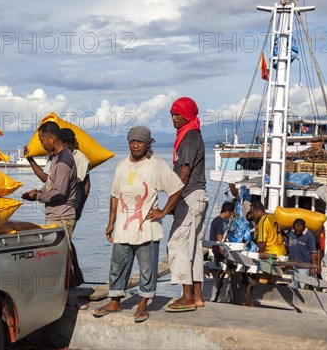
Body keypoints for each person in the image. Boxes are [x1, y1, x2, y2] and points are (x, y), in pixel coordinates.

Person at [92, 126, 184, 323]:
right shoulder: (121, 165)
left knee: (147, 268)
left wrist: (164, 211)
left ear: (148, 143)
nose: (135, 145)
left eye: (140, 142)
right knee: (117, 266)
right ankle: (115, 300)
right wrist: (111, 222)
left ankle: (143, 303)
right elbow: (115, 195)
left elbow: (176, 188)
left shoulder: (157, 165)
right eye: (132, 141)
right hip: (123, 228)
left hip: (147, 228)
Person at [165, 97, 209, 312]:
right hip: (196, 197)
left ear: (188, 115)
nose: (173, 118)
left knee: (178, 244)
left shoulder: (190, 137)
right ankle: (198, 297)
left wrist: (169, 204)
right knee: (194, 248)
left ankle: (187, 297)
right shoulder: (191, 135)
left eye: (177, 114)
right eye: (172, 114)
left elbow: (184, 171)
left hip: (190, 197)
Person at [21, 121, 80, 281]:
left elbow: (59, 193)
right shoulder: (56, 157)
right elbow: (51, 183)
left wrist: (37, 197)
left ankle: (66, 299)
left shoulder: (62, 162)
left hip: (61, 217)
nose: (41, 144)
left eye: (42, 140)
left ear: (52, 138)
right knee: (57, 259)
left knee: (60, 261)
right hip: (56, 215)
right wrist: (39, 191)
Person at [285, 218, 317, 288]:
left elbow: (313, 252)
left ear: (304, 228)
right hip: (291, 264)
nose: (297, 233)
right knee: (290, 285)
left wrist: (313, 267)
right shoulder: (290, 233)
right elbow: (286, 244)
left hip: (304, 266)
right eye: (296, 231)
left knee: (303, 286)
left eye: (299, 231)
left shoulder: (309, 235)